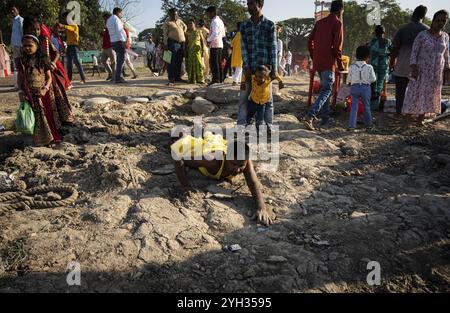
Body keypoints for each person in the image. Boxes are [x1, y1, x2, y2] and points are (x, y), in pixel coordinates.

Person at [172, 133, 276, 226]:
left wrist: (261, 208)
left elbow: (253, 182)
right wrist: (185, 185)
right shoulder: (212, 161)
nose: (237, 169)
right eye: (233, 164)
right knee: (182, 140)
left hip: (218, 145)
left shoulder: (244, 160)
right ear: (226, 158)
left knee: (211, 138)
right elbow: (179, 157)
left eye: (241, 166)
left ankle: (206, 134)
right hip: (206, 149)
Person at [402, 10, 450, 126]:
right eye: (438, 20)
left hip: (436, 73)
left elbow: (446, 54)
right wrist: (413, 67)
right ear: (433, 20)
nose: (440, 23)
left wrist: (447, 69)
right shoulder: (422, 35)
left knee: (429, 96)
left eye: (443, 21)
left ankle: (420, 120)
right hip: (421, 71)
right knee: (415, 95)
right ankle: (407, 119)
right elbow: (414, 52)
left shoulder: (445, 37)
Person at [24, 16, 74, 127]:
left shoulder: (44, 39)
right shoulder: (26, 44)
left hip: (48, 75)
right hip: (34, 80)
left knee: (54, 100)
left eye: (38, 29)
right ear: (27, 29)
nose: (36, 32)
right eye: (33, 29)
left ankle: (60, 123)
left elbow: (56, 53)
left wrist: (53, 63)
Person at [238, 0, 278, 134]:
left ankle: (268, 127)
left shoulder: (269, 25)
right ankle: (241, 125)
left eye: (252, 4)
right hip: (249, 69)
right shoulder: (244, 25)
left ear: (260, 4)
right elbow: (243, 47)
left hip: (265, 71)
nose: (249, 7)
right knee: (244, 99)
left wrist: (275, 69)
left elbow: (272, 48)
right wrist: (247, 66)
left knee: (268, 100)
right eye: (248, 4)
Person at [304, 0, 345, 131]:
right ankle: (310, 116)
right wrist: (340, 63)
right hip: (328, 62)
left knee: (324, 90)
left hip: (318, 62)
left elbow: (309, 40)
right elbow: (337, 47)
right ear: (340, 10)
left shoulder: (319, 22)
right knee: (327, 90)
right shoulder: (338, 23)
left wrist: (313, 55)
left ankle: (325, 118)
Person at [17, 35, 61, 146]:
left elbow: (49, 77)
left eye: (30, 45)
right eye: (25, 46)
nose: (27, 48)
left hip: (42, 93)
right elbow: (20, 77)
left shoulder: (43, 59)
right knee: (34, 116)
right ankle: (38, 139)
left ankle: (49, 139)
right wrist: (21, 91)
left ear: (37, 46)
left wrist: (45, 89)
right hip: (29, 94)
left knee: (46, 115)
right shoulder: (21, 61)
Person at [390, 5, 429, 114]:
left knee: (400, 92)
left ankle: (399, 112)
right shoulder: (426, 30)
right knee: (416, 92)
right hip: (418, 68)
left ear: (413, 14)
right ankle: (413, 111)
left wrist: (392, 63)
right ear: (424, 16)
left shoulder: (403, 29)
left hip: (402, 66)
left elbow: (395, 48)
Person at [245, 65, 284, 134]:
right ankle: (247, 129)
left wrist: (280, 81)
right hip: (253, 101)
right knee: (249, 116)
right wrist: (242, 82)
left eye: (260, 77)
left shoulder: (268, 80)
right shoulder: (253, 79)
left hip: (262, 104)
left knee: (260, 119)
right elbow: (245, 76)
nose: (257, 78)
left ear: (265, 77)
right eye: (256, 76)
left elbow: (276, 75)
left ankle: (259, 132)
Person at [347, 45, 377, 131]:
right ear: (367, 57)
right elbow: (373, 79)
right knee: (366, 107)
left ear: (356, 56)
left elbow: (349, 79)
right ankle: (369, 125)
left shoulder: (352, 67)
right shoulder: (369, 67)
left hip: (354, 88)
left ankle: (352, 126)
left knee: (354, 107)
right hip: (365, 88)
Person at [59, 12, 86, 84]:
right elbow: (65, 30)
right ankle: (69, 80)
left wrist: (63, 26)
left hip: (74, 46)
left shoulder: (74, 25)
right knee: (69, 64)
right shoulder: (68, 26)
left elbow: (70, 28)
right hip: (69, 46)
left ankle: (83, 79)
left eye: (66, 18)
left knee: (77, 62)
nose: (65, 19)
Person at [369, 25, 392, 111]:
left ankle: (372, 105)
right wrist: (385, 55)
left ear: (375, 32)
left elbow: (368, 50)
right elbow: (392, 52)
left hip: (373, 65)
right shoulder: (388, 41)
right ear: (384, 32)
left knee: (373, 84)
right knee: (379, 84)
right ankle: (376, 105)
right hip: (383, 65)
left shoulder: (373, 41)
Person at [162, 8, 187, 86]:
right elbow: (165, 34)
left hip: (181, 43)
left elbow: (185, 26)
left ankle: (177, 77)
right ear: (170, 14)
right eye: (173, 14)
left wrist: (183, 33)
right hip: (172, 43)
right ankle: (171, 78)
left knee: (179, 61)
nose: (175, 15)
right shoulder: (167, 22)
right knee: (171, 61)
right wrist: (165, 44)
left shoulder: (180, 21)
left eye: (176, 14)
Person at [106, 8, 127, 84]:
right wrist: (123, 40)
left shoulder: (109, 20)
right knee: (121, 60)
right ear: (118, 12)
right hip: (119, 41)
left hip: (113, 41)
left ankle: (117, 77)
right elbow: (119, 30)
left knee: (119, 60)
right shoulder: (116, 19)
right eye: (121, 13)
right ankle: (118, 77)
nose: (122, 15)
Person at [206, 6, 226, 84]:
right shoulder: (220, 21)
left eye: (208, 14)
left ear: (212, 13)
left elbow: (215, 33)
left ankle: (215, 80)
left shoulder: (214, 21)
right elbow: (223, 34)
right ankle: (220, 79)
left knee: (214, 63)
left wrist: (208, 40)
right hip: (220, 43)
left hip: (215, 44)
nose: (208, 16)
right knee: (218, 63)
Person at [185, 19, 206, 85]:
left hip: (197, 52)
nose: (190, 25)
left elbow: (202, 41)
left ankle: (200, 79)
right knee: (190, 65)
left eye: (191, 23)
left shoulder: (199, 31)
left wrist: (203, 51)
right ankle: (192, 79)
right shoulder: (187, 33)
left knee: (199, 64)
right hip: (190, 51)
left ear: (194, 24)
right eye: (189, 24)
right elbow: (186, 43)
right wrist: (185, 51)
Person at [101, 13, 116, 81]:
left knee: (113, 62)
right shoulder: (105, 26)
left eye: (105, 18)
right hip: (104, 47)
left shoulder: (111, 25)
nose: (104, 20)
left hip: (110, 47)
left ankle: (114, 76)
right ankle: (110, 74)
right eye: (104, 19)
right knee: (103, 61)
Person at [10, 5, 24, 73]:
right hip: (15, 45)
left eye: (14, 10)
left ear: (18, 11)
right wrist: (11, 45)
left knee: (22, 63)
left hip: (20, 45)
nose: (12, 11)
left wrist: (22, 44)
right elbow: (13, 34)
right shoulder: (14, 20)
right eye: (12, 10)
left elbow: (22, 32)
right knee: (17, 64)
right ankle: (18, 81)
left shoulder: (20, 20)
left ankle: (23, 80)